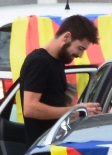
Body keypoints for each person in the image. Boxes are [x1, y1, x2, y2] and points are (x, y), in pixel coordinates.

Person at [18, 14, 102, 143]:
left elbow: (53, 102)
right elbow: (30, 109)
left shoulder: (56, 62)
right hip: (42, 145)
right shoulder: (39, 62)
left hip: (53, 141)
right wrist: (74, 111)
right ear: (66, 37)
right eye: (80, 48)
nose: (80, 55)